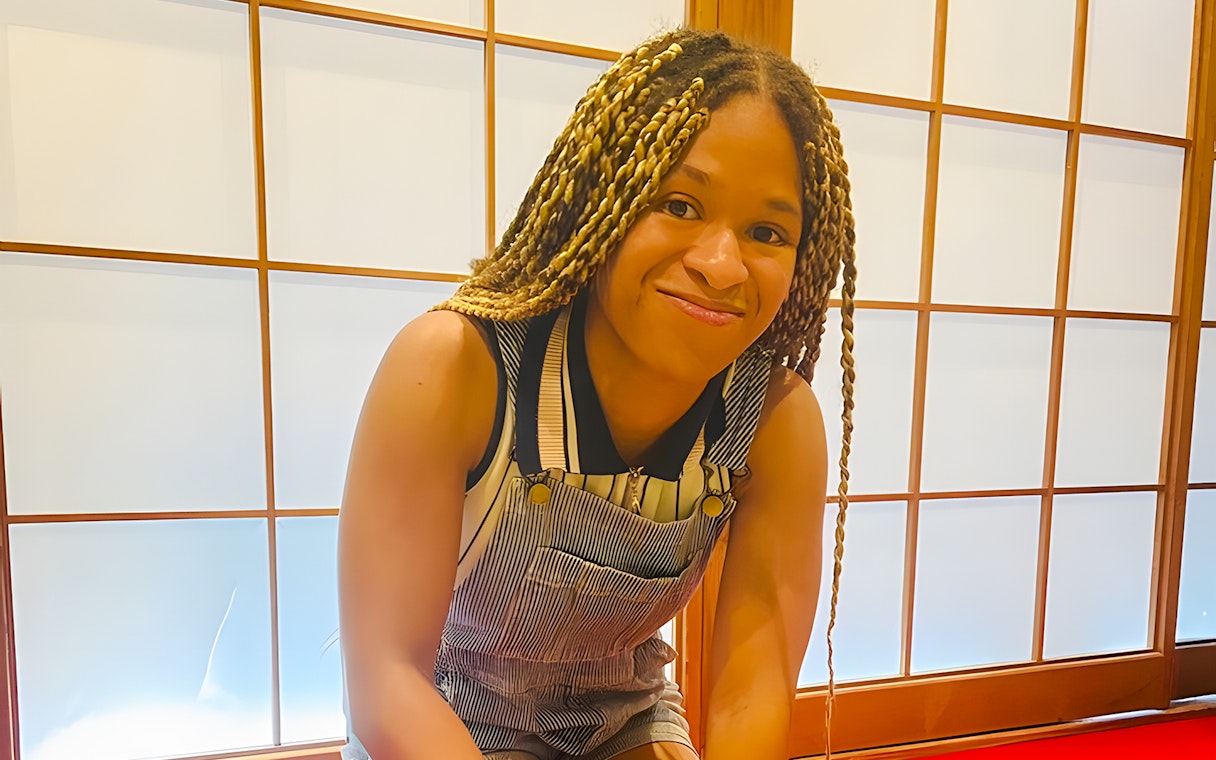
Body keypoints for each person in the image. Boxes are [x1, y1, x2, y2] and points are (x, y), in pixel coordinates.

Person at [337, 26, 856, 760]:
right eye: (679, 204)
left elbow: (752, 690)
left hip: (625, 722)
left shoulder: (774, 420)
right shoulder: (453, 367)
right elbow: (388, 681)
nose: (722, 265)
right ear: (599, 202)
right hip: (443, 723)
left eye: (767, 230)